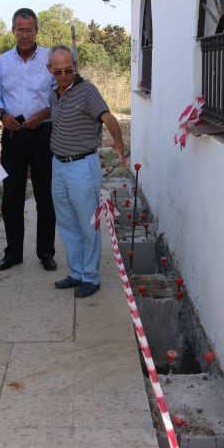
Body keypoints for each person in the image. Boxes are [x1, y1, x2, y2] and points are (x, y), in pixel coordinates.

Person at [47, 46, 127, 298]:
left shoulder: (87, 91)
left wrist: (119, 145)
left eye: (68, 70)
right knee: (67, 222)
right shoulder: (53, 94)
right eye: (58, 71)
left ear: (75, 67)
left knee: (87, 223)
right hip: (58, 165)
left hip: (82, 165)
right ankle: (77, 272)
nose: (63, 76)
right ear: (50, 70)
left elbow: (108, 117)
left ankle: (91, 277)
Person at [0, 8, 56, 272]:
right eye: (20, 29)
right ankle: (13, 252)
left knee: (45, 197)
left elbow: (59, 94)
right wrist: (2, 114)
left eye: (29, 29)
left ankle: (46, 253)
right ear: (13, 31)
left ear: (37, 31)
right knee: (12, 197)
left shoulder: (49, 58)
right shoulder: (4, 61)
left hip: (43, 134)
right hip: (14, 135)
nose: (24, 34)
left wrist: (43, 114)